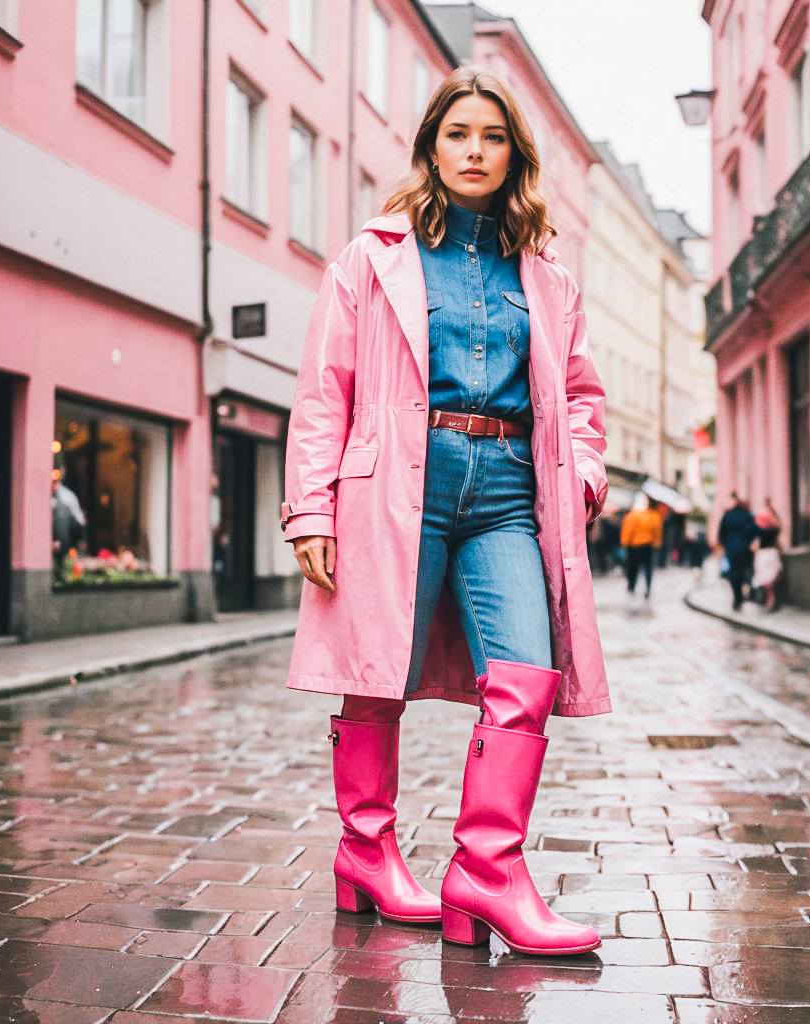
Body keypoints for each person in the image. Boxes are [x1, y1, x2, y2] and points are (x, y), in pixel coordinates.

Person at [280, 67, 609, 957]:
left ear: (515, 155)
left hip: (507, 490)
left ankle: (487, 873)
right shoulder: (371, 255)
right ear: (432, 146)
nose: (475, 150)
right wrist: (311, 511)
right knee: (373, 675)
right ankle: (367, 855)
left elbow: (580, 398)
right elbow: (323, 392)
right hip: (396, 485)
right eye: (459, 133)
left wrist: (580, 472)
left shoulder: (546, 275)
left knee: (526, 678)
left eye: (493, 136)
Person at [717, 491, 758, 611]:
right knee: (743, 571)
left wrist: (724, 545)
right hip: (744, 548)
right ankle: (741, 595)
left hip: (731, 548)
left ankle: (737, 597)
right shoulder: (747, 515)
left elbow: (722, 533)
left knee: (734, 573)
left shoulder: (728, 515)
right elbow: (753, 530)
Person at [620, 492, 662, 600]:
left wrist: (625, 543)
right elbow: (657, 531)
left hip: (634, 546)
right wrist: (657, 543)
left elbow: (627, 531)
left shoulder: (631, 516)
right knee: (648, 568)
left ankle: (632, 587)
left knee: (633, 568)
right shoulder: (653, 516)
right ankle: (648, 588)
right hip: (648, 546)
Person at [752, 498, 783, 611]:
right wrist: (771, 508)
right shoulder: (768, 530)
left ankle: (770, 599)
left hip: (766, 555)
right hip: (769, 554)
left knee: (767, 579)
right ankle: (770, 598)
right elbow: (779, 524)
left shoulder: (763, 531)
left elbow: (754, 546)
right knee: (769, 579)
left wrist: (770, 508)